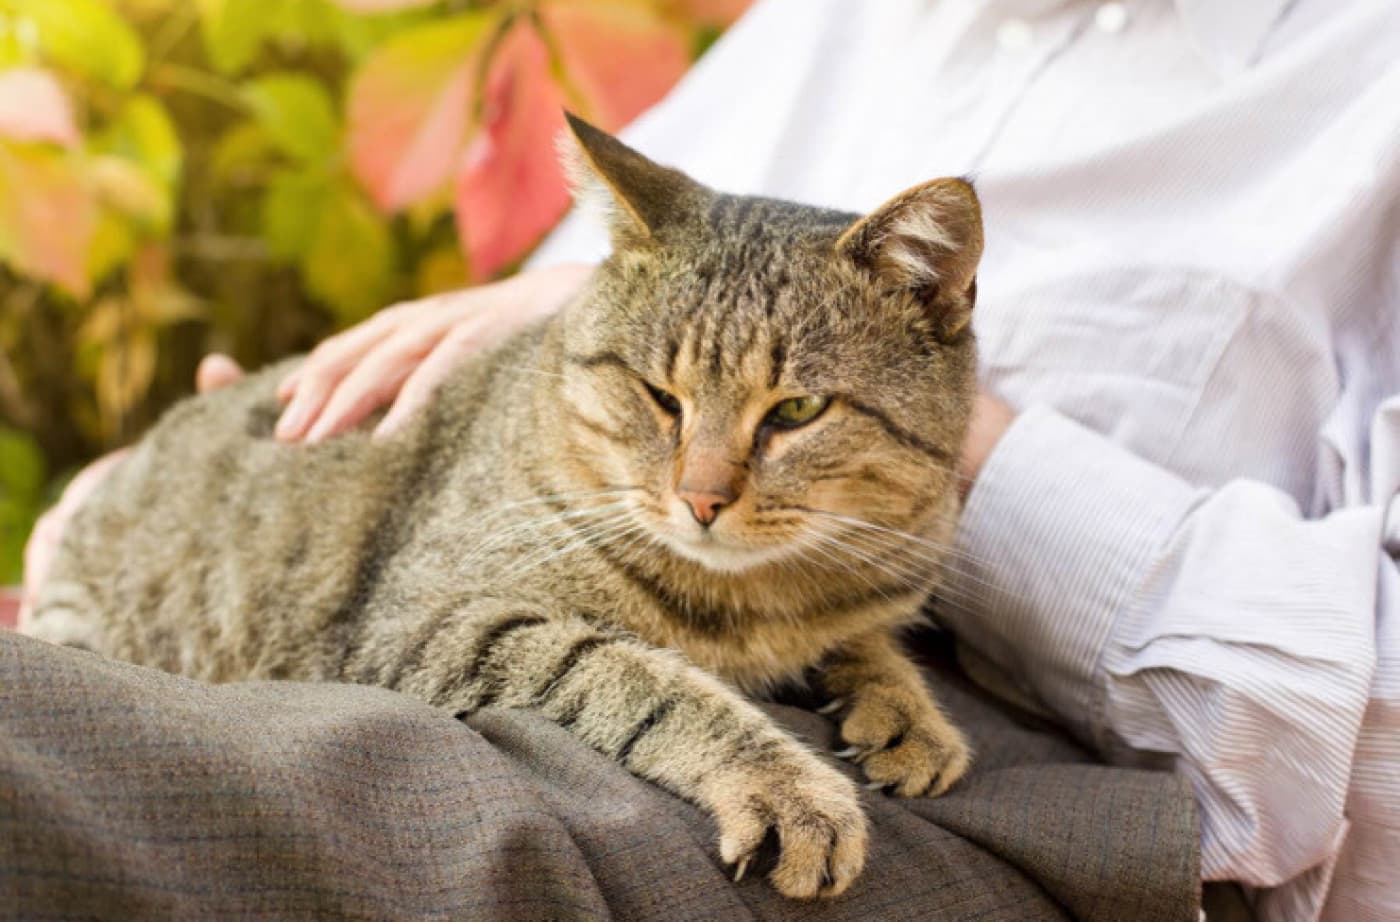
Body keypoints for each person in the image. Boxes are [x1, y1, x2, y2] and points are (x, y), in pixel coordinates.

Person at [22, 0, 1400, 919]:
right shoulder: (834, 20)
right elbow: (592, 333)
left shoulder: (1362, 78)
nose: (708, 485)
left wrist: (970, 463)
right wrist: (196, 481)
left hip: (981, 801)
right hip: (454, 631)